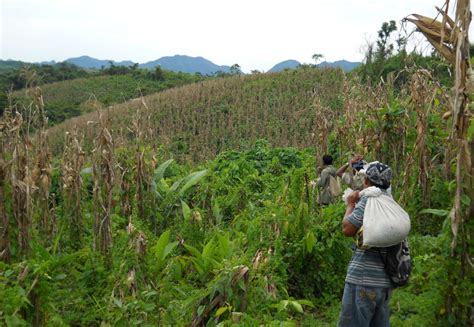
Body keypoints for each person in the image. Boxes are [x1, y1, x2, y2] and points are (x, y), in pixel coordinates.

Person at [338, 162, 393, 327]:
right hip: (384, 280)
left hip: (362, 278)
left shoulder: (369, 201)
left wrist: (350, 204)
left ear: (367, 181)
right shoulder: (390, 202)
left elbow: (348, 229)